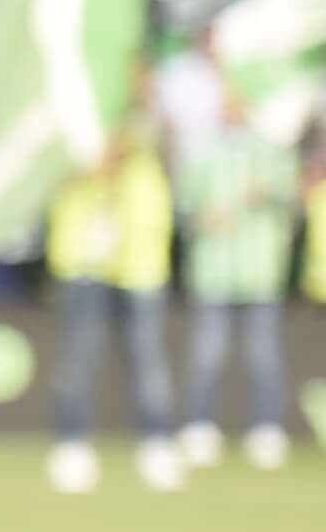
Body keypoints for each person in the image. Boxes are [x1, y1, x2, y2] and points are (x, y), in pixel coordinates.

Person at [43, 114, 180, 494]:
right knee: (79, 358)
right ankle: (73, 444)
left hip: (139, 272)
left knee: (148, 361)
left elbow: (157, 214)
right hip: (85, 268)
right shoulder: (77, 154)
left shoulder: (146, 161)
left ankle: (156, 444)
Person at [171, 76, 296, 468]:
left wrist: (269, 192)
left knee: (263, 355)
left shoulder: (272, 154)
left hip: (259, 271)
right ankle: (198, 425)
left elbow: (290, 199)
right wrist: (201, 216)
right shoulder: (203, 153)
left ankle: (267, 427)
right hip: (214, 271)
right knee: (207, 353)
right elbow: (185, 206)